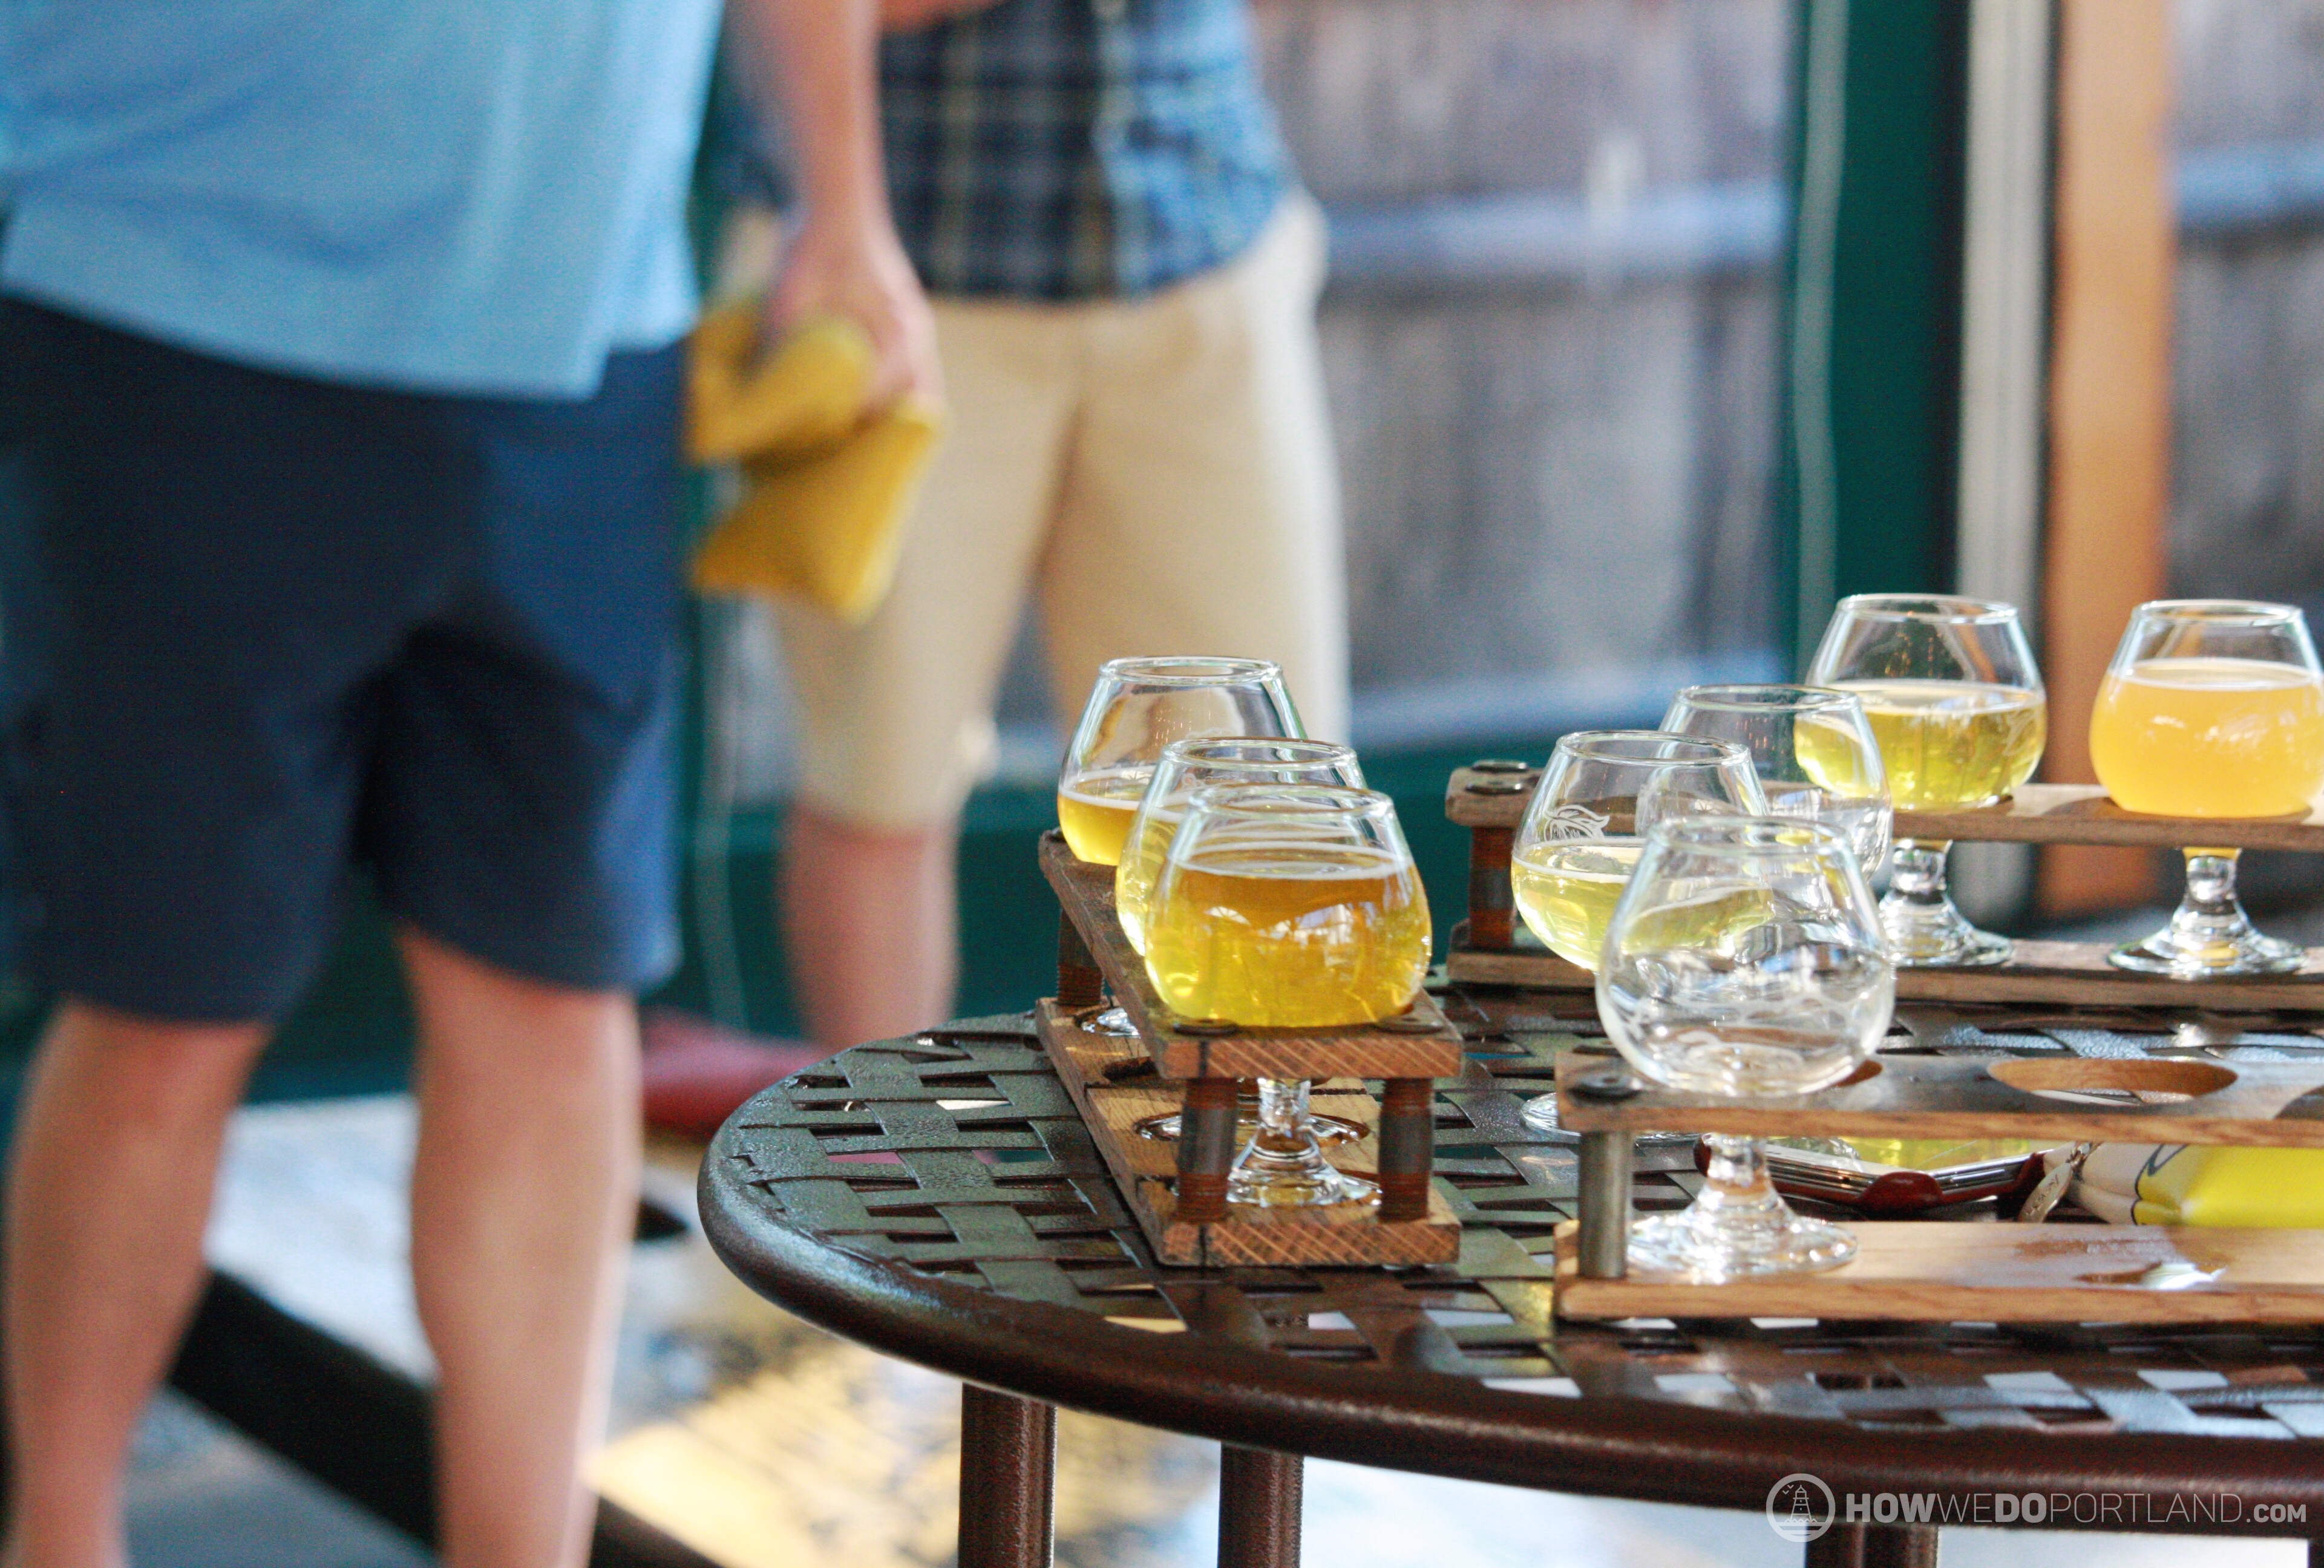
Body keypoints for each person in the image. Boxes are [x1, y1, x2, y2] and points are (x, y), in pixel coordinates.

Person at [0, 4, 934, 1566]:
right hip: (172, 312)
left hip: (585, 344)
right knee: (168, 1000)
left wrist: (847, 211)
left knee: (553, 993)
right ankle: (60, 1538)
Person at [772, 0, 1351, 1050]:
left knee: (1261, 797)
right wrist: (840, 223)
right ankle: (873, 1182)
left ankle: (1230, 1191)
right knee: (882, 781)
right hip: (906, 268)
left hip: (1203, 233)